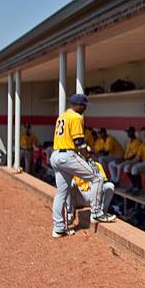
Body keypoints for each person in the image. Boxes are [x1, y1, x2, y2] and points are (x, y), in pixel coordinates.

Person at [49, 93, 106, 237]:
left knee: (61, 193)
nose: (85, 108)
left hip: (56, 155)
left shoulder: (63, 116)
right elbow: (79, 142)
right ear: (79, 105)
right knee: (98, 177)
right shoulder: (76, 117)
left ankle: (58, 228)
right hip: (67, 155)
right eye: (84, 106)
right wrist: (87, 157)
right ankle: (97, 212)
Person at [68, 160, 116, 225]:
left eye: (86, 151)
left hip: (94, 197)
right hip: (79, 196)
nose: (84, 153)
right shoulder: (73, 165)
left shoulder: (97, 165)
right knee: (70, 183)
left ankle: (102, 213)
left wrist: (95, 183)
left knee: (109, 186)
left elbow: (104, 181)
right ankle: (69, 213)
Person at [126, 126, 145, 195]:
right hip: (144, 163)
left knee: (135, 168)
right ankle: (135, 186)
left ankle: (139, 188)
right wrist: (130, 164)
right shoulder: (142, 145)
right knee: (127, 167)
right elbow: (137, 158)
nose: (144, 135)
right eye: (142, 134)